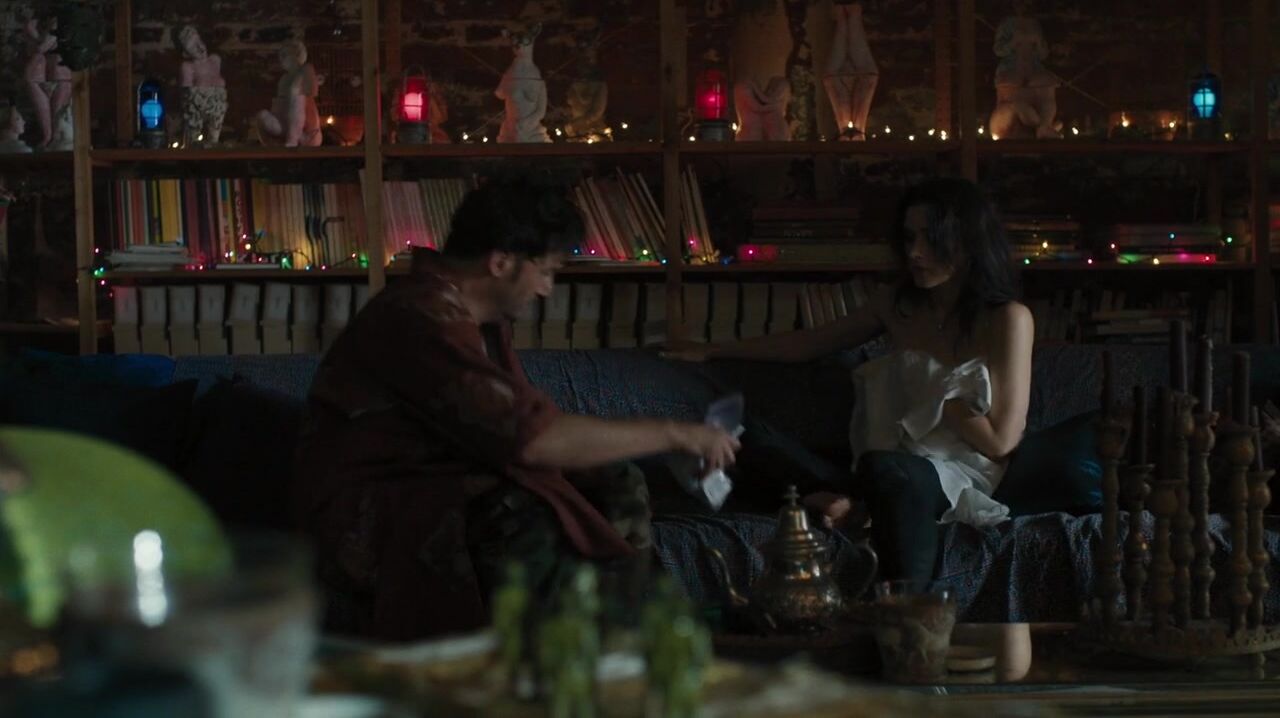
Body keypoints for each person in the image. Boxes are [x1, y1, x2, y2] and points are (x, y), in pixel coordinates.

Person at [292, 175, 739, 641]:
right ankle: (541, 660)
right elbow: (532, 439)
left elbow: (527, 429)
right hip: (373, 508)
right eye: (545, 271)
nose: (547, 290)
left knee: (617, 480)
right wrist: (674, 432)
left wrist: (659, 452)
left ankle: (623, 642)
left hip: (448, 480)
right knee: (522, 511)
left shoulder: (483, 323)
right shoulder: (419, 315)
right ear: (501, 262)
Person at [665, 177, 1033, 583]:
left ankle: (908, 605)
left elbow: (1001, 443)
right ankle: (845, 503)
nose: (915, 252)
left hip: (957, 475)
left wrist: (932, 390)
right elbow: (808, 343)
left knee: (889, 470)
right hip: (876, 467)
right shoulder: (897, 304)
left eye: (931, 239)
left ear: (968, 242)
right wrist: (713, 350)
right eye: (909, 238)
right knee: (737, 431)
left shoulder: (1008, 318)